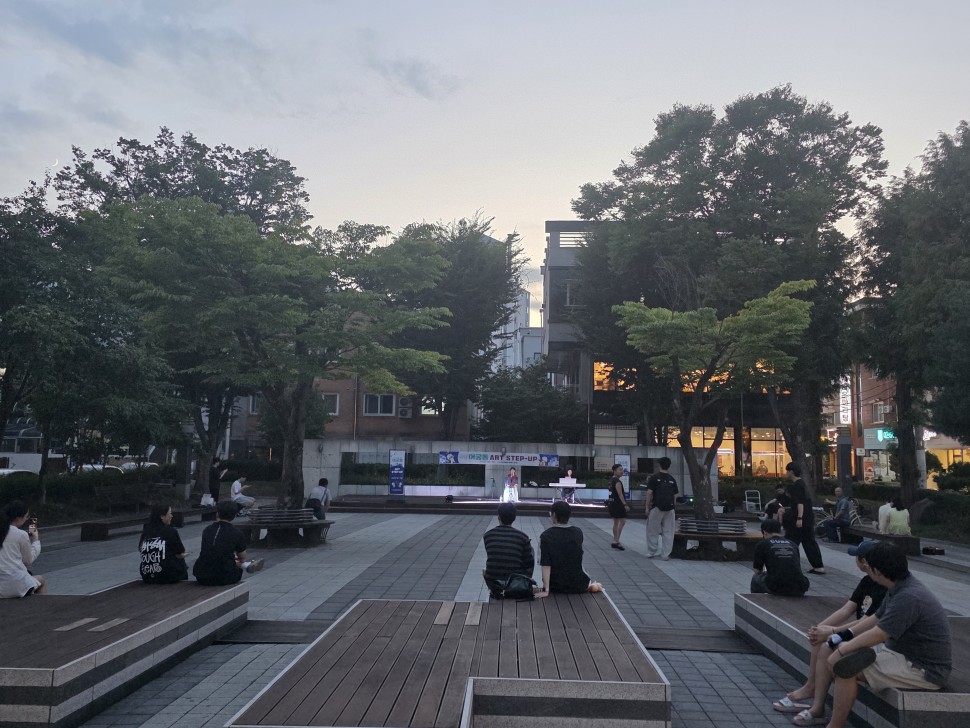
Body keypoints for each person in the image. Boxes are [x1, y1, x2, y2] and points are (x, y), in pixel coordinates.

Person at [794, 542, 951, 728]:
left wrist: (842, 651)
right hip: (898, 654)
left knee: (845, 667)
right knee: (828, 647)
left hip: (923, 669)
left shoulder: (909, 597)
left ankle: (834, 725)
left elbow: (879, 634)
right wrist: (838, 638)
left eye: (868, 566)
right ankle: (818, 708)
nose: (866, 569)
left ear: (876, 570)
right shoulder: (897, 587)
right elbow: (875, 619)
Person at [772, 540, 887, 714]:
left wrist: (832, 631)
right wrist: (820, 627)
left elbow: (869, 621)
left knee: (828, 642)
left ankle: (815, 698)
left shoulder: (885, 588)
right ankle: (811, 687)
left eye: (856, 557)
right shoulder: (867, 581)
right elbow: (846, 609)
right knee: (820, 637)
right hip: (859, 632)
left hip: (870, 636)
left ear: (865, 562)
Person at [193, 501, 263, 585]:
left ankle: (245, 565)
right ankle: (246, 565)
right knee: (232, 561)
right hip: (225, 576)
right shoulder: (236, 532)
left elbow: (212, 550)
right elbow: (242, 558)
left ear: (217, 514)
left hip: (201, 575)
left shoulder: (207, 529)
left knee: (220, 558)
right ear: (234, 516)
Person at [536, 500, 590, 596]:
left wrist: (546, 589)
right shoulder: (578, 532)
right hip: (579, 584)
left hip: (556, 585)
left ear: (554, 515)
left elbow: (545, 564)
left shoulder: (546, 536)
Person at [482, 503, 535, 598]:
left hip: (493, 581)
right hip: (515, 581)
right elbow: (528, 563)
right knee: (531, 551)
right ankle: (523, 583)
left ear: (498, 517)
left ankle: (497, 589)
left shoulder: (488, 535)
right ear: (514, 518)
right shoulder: (523, 537)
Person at [783, 462, 825, 574]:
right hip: (808, 518)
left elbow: (800, 503)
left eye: (787, 471)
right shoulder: (802, 484)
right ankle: (818, 566)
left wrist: (799, 518)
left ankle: (790, 565)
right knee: (809, 542)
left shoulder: (797, 486)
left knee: (791, 541)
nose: (786, 473)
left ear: (792, 472)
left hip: (800, 519)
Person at [750, 519, 810, 597]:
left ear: (764, 532)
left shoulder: (762, 544)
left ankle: (757, 600)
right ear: (780, 531)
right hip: (799, 586)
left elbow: (757, 570)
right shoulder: (793, 544)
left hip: (777, 586)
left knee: (756, 578)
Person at [0, 501, 45, 598]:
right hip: (16, 585)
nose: (26, 519)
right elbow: (28, 560)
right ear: (18, 518)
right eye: (26, 516)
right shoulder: (21, 534)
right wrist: (35, 540)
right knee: (41, 580)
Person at [138, 503, 189, 584]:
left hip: (147, 575)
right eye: (170, 513)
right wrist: (185, 555)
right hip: (167, 575)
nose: (172, 516)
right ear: (162, 516)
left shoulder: (146, 531)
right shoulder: (171, 531)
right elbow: (179, 553)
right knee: (181, 561)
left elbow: (141, 549)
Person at [644, 456, 678, 560]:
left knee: (652, 530)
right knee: (668, 531)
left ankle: (651, 551)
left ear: (659, 465)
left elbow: (649, 493)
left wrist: (647, 508)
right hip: (670, 509)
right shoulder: (672, 479)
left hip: (657, 507)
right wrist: (673, 507)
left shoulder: (654, 478)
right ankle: (665, 554)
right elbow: (675, 496)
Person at [607, 463, 629, 550]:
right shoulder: (617, 481)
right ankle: (616, 541)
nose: (622, 471)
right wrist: (625, 504)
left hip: (612, 503)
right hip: (618, 504)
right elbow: (620, 494)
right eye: (620, 469)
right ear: (615, 471)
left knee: (616, 522)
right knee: (622, 521)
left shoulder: (611, 480)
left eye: (622, 469)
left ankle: (615, 540)